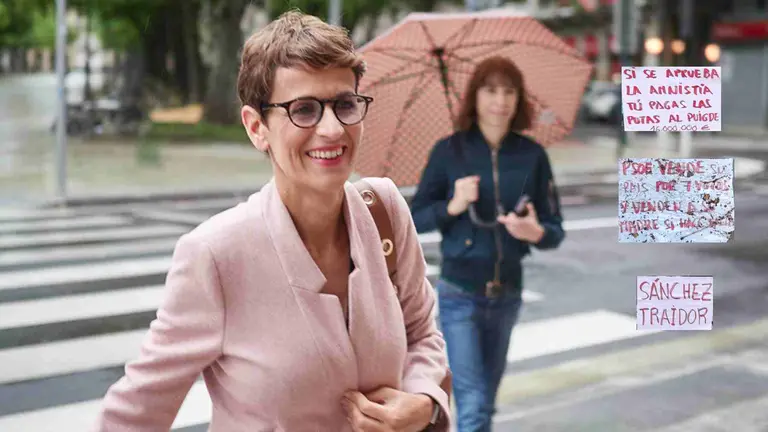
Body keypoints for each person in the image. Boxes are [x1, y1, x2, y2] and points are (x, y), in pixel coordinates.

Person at [95, 10, 451, 431]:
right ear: (256, 126)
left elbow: (423, 334)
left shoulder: (384, 210)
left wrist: (426, 403)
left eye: (344, 104)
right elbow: (135, 413)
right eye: (304, 110)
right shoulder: (214, 255)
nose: (333, 128)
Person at [410, 56, 565, 432]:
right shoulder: (450, 152)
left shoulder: (532, 156)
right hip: (459, 293)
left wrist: (535, 232)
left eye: (509, 91)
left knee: (486, 404)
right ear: (474, 97)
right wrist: (453, 205)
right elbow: (415, 218)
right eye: (491, 90)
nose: (500, 100)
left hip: (507, 294)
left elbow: (554, 228)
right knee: (473, 404)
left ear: (519, 99)